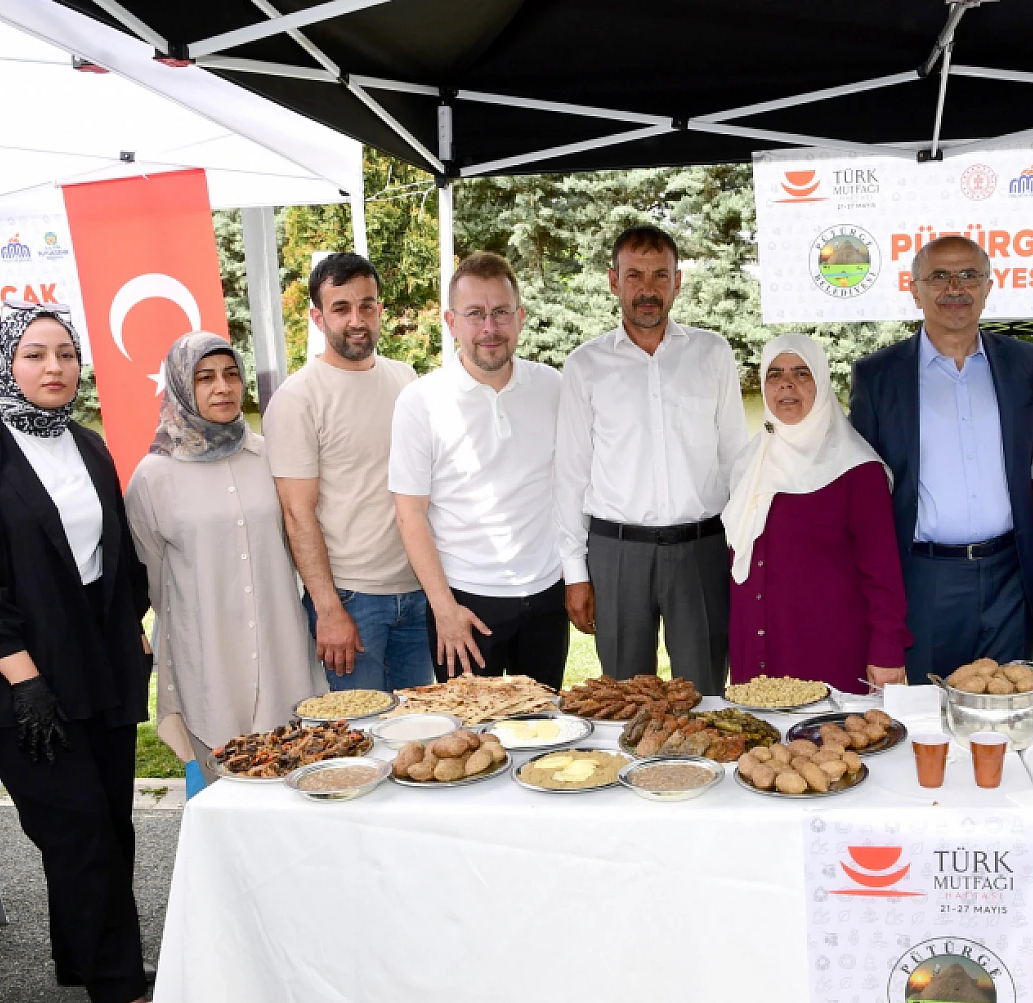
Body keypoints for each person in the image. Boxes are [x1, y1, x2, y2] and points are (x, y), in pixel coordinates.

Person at [0, 303, 154, 1003]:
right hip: (17, 681)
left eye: (65, 353)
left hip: (97, 666)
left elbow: (114, 562)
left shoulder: (87, 448)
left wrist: (135, 635)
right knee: (80, 828)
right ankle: (121, 986)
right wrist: (27, 681)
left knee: (109, 824)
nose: (54, 367)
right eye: (34, 355)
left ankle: (78, 955)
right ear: (3, 364)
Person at [125, 332, 327, 781]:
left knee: (296, 770)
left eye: (231, 375)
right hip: (208, 648)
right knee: (229, 779)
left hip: (279, 641)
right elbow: (154, 577)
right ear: (181, 386)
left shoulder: (264, 455)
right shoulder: (154, 477)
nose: (223, 388)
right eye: (205, 377)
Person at [554, 226, 748, 694]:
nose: (647, 288)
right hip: (617, 554)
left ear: (678, 282)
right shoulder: (586, 365)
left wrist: (744, 554)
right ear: (613, 281)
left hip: (700, 551)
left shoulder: (712, 354)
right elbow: (571, 475)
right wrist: (575, 573)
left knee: (704, 697)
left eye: (660, 275)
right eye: (634, 275)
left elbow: (738, 460)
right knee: (624, 697)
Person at [850, 235, 1033, 683]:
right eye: (939, 276)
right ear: (914, 289)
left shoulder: (1021, 362)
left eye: (968, 275)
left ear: (988, 286)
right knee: (922, 715)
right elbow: (865, 492)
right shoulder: (878, 375)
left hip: (1009, 578)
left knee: (1004, 711)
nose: (955, 288)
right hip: (924, 580)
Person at [389, 253, 568, 688]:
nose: (490, 328)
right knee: (471, 745)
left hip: (546, 597)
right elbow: (409, 514)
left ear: (520, 317)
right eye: (475, 314)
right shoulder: (421, 402)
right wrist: (444, 609)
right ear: (451, 322)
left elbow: (571, 486)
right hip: (465, 604)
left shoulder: (553, 387)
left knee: (547, 740)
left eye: (501, 312)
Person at [264, 252, 432, 692]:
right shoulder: (297, 399)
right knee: (358, 743)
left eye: (366, 305)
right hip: (352, 603)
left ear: (379, 309)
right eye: (341, 308)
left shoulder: (406, 379)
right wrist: (328, 609)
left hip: (418, 593)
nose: (356, 319)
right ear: (317, 318)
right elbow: (297, 515)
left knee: (420, 739)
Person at [724, 334, 909, 690]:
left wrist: (887, 650)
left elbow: (882, 572)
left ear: (822, 383)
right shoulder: (751, 462)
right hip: (758, 650)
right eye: (774, 374)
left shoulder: (858, 470)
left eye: (801, 373)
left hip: (831, 652)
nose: (787, 384)